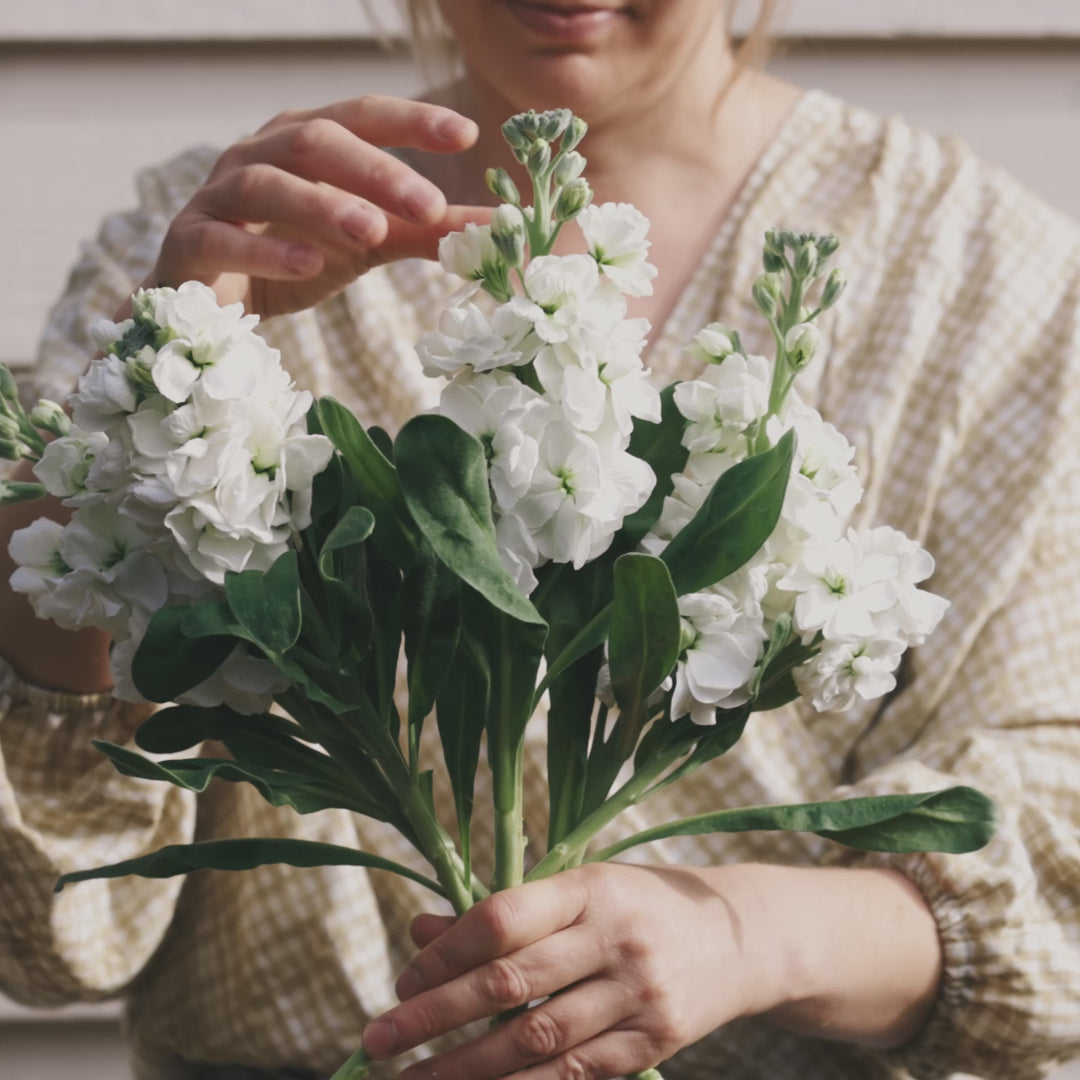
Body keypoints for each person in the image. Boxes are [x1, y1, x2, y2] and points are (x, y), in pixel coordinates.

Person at [2, 2, 1079, 1078]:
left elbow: (1055, 842)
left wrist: (745, 933)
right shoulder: (214, 242)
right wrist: (168, 380)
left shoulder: (982, 280)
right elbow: (36, 932)